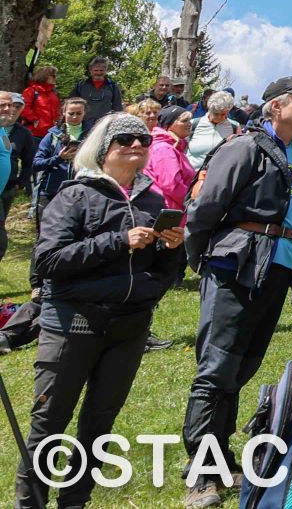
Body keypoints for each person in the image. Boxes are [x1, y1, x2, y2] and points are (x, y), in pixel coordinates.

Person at [15, 113, 186, 509]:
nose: (137, 145)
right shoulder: (74, 195)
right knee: (50, 425)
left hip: (129, 325)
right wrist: (119, 241)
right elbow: (49, 261)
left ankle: (75, 502)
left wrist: (169, 250)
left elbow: (160, 271)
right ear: (103, 150)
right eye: (125, 138)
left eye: (143, 139)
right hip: (73, 322)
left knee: (99, 425)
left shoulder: (152, 200)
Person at [179, 77, 292, 506]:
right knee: (217, 365)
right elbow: (206, 207)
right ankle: (199, 474)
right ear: (275, 107)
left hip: (277, 267)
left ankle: (219, 457)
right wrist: (202, 257)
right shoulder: (245, 147)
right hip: (237, 265)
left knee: (242, 365)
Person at [33, 96, 88, 220]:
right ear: (64, 112)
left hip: (81, 192)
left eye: (79, 113)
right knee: (45, 232)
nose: (74, 117)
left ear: (84, 113)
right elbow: (36, 164)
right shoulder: (52, 135)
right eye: (71, 113)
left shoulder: (92, 136)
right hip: (51, 191)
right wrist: (59, 158)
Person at [144, 105, 198, 211]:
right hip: (169, 212)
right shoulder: (164, 149)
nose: (189, 124)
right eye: (184, 120)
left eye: (189, 120)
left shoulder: (172, 146)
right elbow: (172, 185)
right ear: (168, 125)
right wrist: (194, 204)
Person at [1, 92, 32, 258]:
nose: (11, 109)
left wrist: (23, 180)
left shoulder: (21, 133)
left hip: (8, 185)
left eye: (15, 106)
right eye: (5, 105)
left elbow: (28, 160)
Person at [187, 91, 239, 171]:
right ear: (209, 109)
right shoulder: (193, 123)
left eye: (223, 114)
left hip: (218, 177)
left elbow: (238, 155)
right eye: (215, 114)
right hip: (190, 176)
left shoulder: (234, 127)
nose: (219, 117)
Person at [69, 57, 123, 130]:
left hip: (105, 124)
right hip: (84, 125)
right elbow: (71, 103)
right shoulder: (81, 85)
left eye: (101, 70)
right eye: (96, 70)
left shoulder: (112, 86)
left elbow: (118, 106)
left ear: (106, 70)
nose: (98, 73)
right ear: (90, 71)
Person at [22, 64, 60, 138]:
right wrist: (34, 120)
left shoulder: (53, 92)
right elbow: (24, 108)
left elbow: (58, 110)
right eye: (53, 76)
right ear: (44, 76)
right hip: (35, 133)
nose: (56, 78)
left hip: (52, 132)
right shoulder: (30, 91)